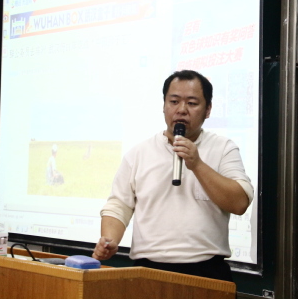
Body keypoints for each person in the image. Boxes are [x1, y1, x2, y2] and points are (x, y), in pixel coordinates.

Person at [92, 70, 253, 282]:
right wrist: (109, 239)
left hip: (207, 271)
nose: (181, 110)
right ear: (164, 105)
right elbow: (119, 205)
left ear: (208, 110)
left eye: (192, 103)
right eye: (174, 101)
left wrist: (197, 164)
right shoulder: (139, 153)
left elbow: (239, 202)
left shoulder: (223, 148)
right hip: (147, 271)